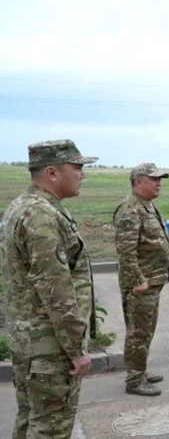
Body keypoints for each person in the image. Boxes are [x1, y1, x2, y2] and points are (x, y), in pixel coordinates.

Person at [3, 140, 98, 438]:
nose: (83, 174)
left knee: (30, 419)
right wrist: (76, 350)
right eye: (77, 167)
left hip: (30, 341)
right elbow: (56, 291)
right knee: (50, 428)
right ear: (52, 173)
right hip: (49, 348)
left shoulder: (23, 206)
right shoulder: (41, 215)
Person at [113, 162, 169, 397]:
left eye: (160, 179)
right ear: (138, 181)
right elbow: (126, 251)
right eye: (154, 179)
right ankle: (134, 379)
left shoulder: (146, 205)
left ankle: (140, 370)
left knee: (146, 330)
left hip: (153, 280)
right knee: (138, 332)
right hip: (142, 284)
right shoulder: (131, 209)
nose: (158, 183)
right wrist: (138, 280)